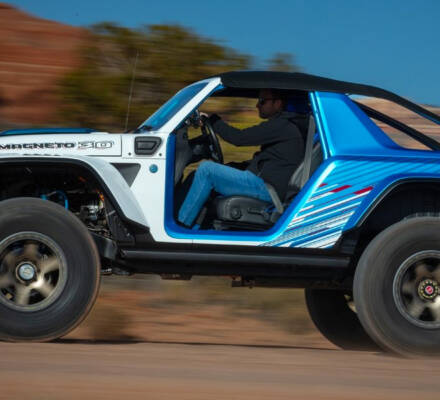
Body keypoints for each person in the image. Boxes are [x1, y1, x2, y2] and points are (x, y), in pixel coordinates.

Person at [177, 89, 307, 228]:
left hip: (267, 189)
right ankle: (194, 229)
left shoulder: (283, 125)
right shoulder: (284, 125)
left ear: (278, 103)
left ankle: (181, 227)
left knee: (206, 170)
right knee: (198, 175)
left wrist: (213, 120)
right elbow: (269, 160)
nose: (257, 105)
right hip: (264, 183)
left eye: (262, 101)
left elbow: (239, 138)